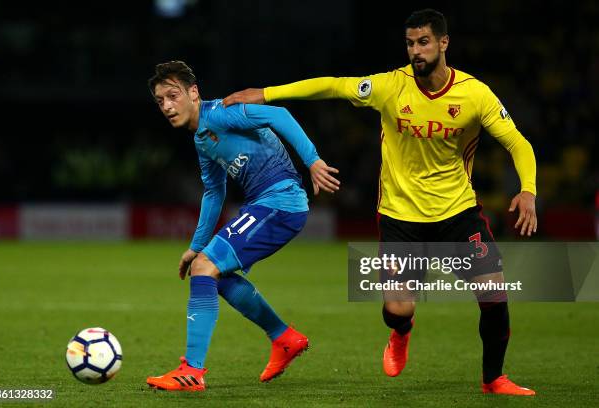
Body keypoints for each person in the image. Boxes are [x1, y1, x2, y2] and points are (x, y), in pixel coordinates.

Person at [223, 9, 537, 396]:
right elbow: (334, 86)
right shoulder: (390, 86)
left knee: (494, 295)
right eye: (409, 44)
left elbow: (517, 142)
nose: (416, 51)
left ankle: (494, 379)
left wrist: (528, 189)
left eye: (423, 42)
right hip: (401, 218)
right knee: (398, 310)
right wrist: (266, 93)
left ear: (443, 43)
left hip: (458, 214)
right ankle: (401, 333)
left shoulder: (474, 93)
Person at [145, 61, 340, 391]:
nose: (166, 106)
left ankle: (192, 370)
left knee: (206, 268)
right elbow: (214, 191)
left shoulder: (221, 112)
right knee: (208, 272)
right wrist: (195, 246)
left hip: (279, 202)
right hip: (266, 204)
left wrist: (313, 160)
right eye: (160, 101)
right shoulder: (201, 140)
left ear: (194, 93)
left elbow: (278, 115)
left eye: (172, 96)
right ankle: (284, 338)